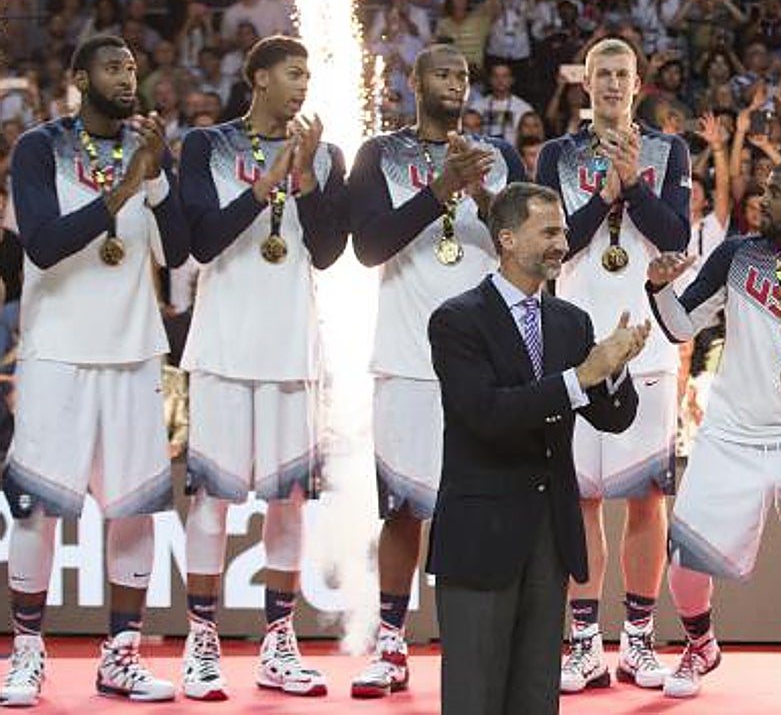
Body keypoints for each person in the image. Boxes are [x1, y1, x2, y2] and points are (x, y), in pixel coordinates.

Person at [2, 35, 190, 705]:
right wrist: (126, 187)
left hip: (134, 351)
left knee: (135, 513)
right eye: (113, 67)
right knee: (37, 514)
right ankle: (26, 654)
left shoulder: (146, 151)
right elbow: (46, 244)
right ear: (81, 77)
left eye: (134, 67)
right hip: (57, 350)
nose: (126, 76)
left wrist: (158, 169)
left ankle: (122, 656)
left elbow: (182, 250)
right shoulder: (38, 147)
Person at [344, 43, 524, 697]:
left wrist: (477, 195)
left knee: (477, 510)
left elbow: (524, 247)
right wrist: (438, 190)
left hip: (480, 364)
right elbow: (367, 247)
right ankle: (390, 644)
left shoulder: (496, 156)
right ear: (416, 82)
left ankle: (475, 644)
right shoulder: (377, 155)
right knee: (401, 511)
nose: (455, 83)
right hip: (401, 356)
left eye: (463, 76)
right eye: (444, 73)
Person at [428, 182, 647, 715]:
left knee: (535, 699)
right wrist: (580, 377)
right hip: (481, 540)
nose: (561, 242)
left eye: (564, 232)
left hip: (551, 539)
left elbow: (614, 418)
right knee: (474, 698)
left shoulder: (571, 321)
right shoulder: (457, 319)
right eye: (548, 231)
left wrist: (613, 371)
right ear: (506, 239)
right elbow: (485, 416)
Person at [645, 159, 781, 707]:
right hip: (732, 434)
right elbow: (680, 325)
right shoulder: (736, 255)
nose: (762, 198)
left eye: (777, 192)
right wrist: (659, 286)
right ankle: (700, 643)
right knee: (684, 559)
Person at [177, 36, 349, 699]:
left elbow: (330, 252)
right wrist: (264, 186)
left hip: (293, 350)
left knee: (289, 506)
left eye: (309, 72)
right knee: (211, 502)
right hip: (222, 347)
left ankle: (280, 644)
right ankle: (201, 644)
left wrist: (304, 179)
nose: (303, 83)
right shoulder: (206, 146)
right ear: (258, 77)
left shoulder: (327, 157)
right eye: (293, 71)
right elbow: (201, 241)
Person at [536, 37, 691, 692]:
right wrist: (606, 196)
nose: (611, 84)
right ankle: (581, 643)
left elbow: (677, 236)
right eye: (601, 74)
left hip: (647, 346)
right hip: (576, 343)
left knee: (646, 500)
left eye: (621, 75)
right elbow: (550, 247)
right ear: (585, 83)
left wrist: (635, 187)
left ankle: (636, 639)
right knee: (580, 499)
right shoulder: (557, 155)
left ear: (637, 83)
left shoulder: (667, 150)